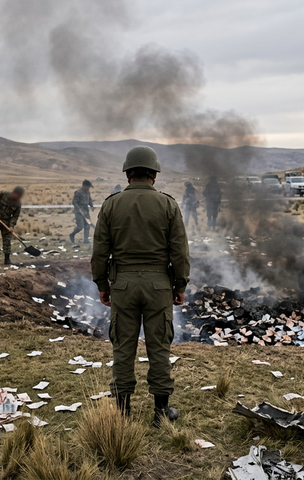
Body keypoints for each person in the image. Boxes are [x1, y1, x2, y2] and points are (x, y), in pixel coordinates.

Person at [91, 146, 190, 427]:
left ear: (127, 173)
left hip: (122, 285)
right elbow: (180, 252)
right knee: (159, 348)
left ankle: (123, 414)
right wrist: (179, 285)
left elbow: (100, 251)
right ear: (154, 175)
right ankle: (161, 413)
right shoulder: (168, 205)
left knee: (123, 348)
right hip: (159, 286)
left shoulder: (111, 204)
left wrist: (102, 284)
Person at [70, 180, 94, 244]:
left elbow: (90, 200)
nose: (88, 188)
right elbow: (74, 202)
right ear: (84, 186)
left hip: (86, 210)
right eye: (88, 186)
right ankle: (72, 235)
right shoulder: (78, 192)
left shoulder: (87, 192)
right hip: (79, 211)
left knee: (87, 225)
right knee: (80, 226)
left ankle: (86, 240)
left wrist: (91, 205)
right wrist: (79, 210)